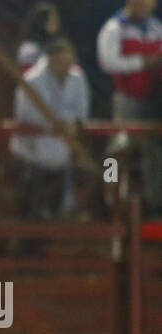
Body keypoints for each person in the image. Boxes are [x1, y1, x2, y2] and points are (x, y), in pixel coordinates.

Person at [9, 39, 90, 257]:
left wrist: (68, 122)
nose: (66, 65)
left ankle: (43, 252)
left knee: (53, 208)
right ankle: (26, 255)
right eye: (61, 60)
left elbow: (81, 109)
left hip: (61, 152)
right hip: (32, 154)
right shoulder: (32, 80)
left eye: (68, 60)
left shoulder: (77, 77)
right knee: (31, 207)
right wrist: (56, 123)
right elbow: (26, 115)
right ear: (50, 59)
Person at [97, 0, 162, 214]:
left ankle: (156, 202)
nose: (147, 6)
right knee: (116, 151)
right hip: (125, 98)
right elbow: (107, 62)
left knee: (153, 152)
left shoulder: (155, 28)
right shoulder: (114, 28)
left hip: (152, 101)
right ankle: (108, 198)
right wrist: (141, 63)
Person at [18, 3, 64, 72]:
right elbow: (27, 75)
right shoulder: (29, 48)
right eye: (52, 21)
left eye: (56, 21)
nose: (57, 25)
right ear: (42, 23)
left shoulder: (56, 45)